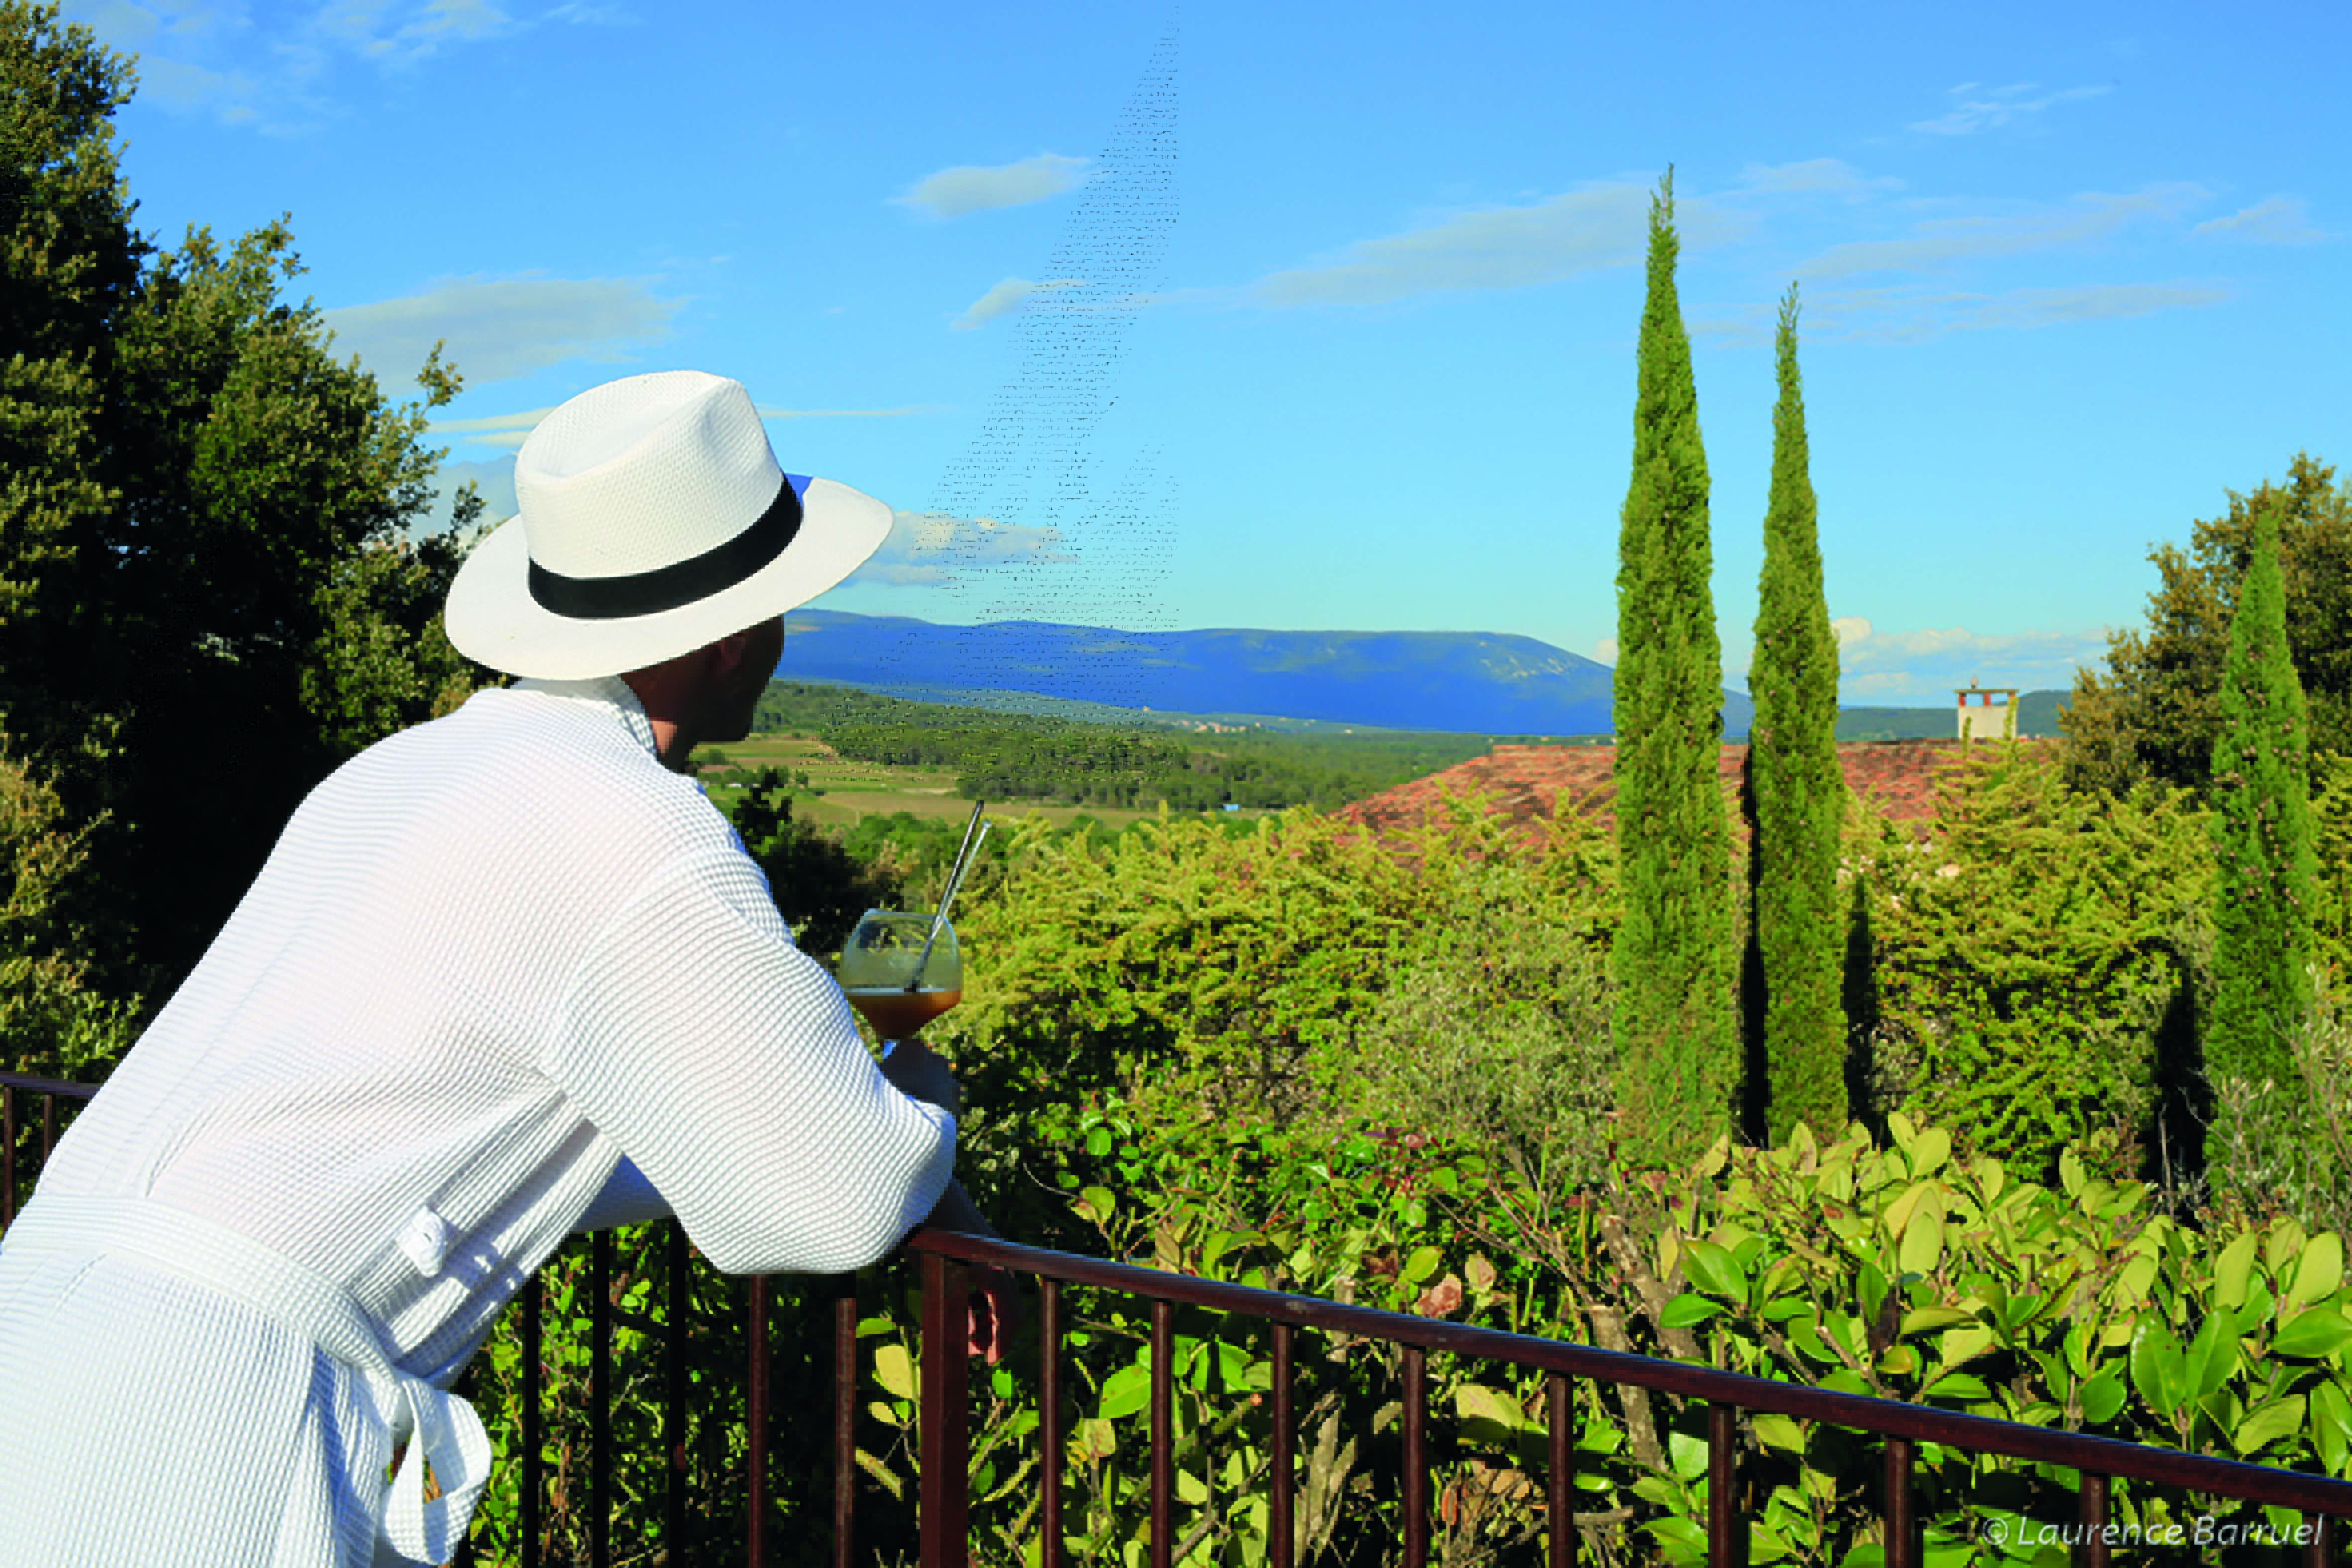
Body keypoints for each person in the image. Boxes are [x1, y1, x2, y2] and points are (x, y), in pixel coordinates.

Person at [0, 370, 1012, 1567]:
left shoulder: (392, 775)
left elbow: (436, 1103)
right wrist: (922, 1116)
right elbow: (830, 1196)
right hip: (206, 1410)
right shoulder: (636, 829)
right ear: (736, 634)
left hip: (47, 1308)